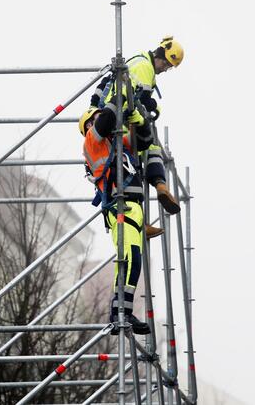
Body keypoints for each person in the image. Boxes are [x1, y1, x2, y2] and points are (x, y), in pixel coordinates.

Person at [79, 102, 159, 335]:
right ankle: (122, 312)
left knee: (130, 260)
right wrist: (122, 97)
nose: (100, 120)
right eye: (94, 119)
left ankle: (120, 311)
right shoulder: (92, 142)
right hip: (118, 206)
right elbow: (106, 120)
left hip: (133, 207)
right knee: (130, 258)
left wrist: (138, 118)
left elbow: (143, 141)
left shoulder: (119, 143)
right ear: (88, 126)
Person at [90, 36, 184, 215]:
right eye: (166, 64)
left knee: (146, 151)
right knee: (142, 153)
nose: (165, 69)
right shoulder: (144, 67)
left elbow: (104, 85)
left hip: (115, 115)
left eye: (169, 67)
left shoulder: (138, 61)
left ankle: (156, 192)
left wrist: (94, 107)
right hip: (122, 119)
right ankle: (156, 190)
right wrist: (156, 107)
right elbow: (142, 101)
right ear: (160, 55)